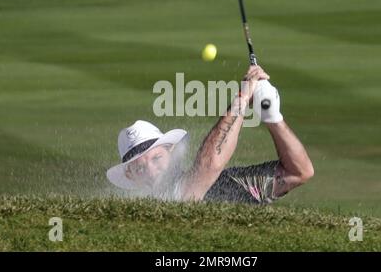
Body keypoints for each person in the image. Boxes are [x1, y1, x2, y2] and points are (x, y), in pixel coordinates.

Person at [107, 65, 314, 204]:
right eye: (140, 168)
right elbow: (209, 164)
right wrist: (242, 98)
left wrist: (273, 118)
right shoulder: (163, 201)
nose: (152, 170)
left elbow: (299, 172)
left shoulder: (229, 183)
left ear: (171, 152)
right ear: (130, 176)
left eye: (157, 158)